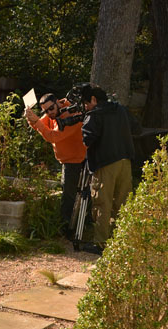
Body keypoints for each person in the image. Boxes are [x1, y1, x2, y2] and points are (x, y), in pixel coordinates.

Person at [79, 83, 138, 254]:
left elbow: (88, 140)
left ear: (93, 99)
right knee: (123, 202)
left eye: (86, 104)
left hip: (105, 164)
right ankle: (123, 240)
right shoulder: (120, 109)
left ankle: (101, 243)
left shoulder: (94, 114)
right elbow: (136, 128)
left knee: (102, 203)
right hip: (125, 161)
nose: (85, 107)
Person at [24, 93, 87, 238]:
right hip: (67, 160)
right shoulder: (54, 113)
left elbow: (53, 136)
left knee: (69, 196)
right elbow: (41, 126)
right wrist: (31, 119)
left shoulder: (71, 116)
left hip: (76, 160)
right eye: (45, 111)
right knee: (69, 194)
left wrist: (37, 122)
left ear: (57, 102)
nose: (49, 113)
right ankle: (71, 226)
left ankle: (67, 229)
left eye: (51, 109)